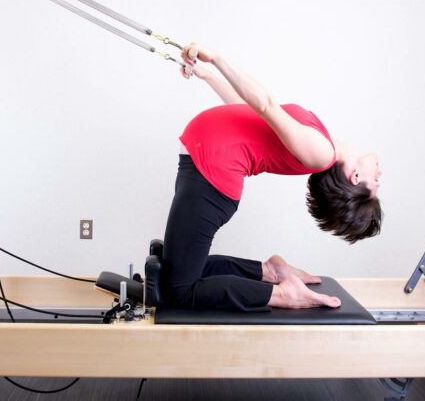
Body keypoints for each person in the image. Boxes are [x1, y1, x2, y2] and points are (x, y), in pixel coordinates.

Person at [161, 43, 383, 311]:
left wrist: (218, 57)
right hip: (207, 164)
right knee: (177, 271)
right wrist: (207, 74)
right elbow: (250, 112)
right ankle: (269, 271)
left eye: (377, 182)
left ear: (355, 177)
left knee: (179, 290)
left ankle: (283, 294)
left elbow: (264, 104)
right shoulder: (323, 144)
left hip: (212, 175)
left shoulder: (321, 153)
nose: (381, 174)